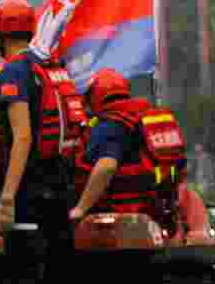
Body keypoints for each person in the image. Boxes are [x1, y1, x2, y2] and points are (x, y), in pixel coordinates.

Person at [0, 0, 87, 284]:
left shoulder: (14, 71)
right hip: (61, 185)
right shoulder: (49, 67)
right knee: (61, 275)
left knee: (24, 277)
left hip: (29, 188)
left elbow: (23, 137)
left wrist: (7, 198)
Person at [70, 68, 186, 226]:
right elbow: (180, 168)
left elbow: (107, 166)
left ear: (94, 96)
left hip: (122, 212)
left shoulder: (109, 123)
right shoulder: (149, 117)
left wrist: (80, 208)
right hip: (159, 208)